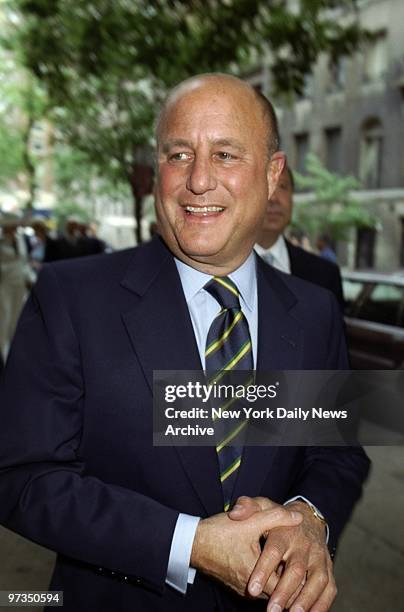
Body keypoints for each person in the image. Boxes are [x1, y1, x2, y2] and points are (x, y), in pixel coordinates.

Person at [0, 74, 369, 611]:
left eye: (224, 154)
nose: (198, 180)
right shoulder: (71, 298)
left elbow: (337, 454)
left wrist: (309, 518)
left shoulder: (313, 311)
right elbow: (20, 476)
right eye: (178, 155)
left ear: (272, 175)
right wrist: (188, 544)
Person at [255, 165, 344, 308]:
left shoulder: (325, 276)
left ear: (292, 199)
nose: (274, 198)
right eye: (266, 185)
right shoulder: (218, 270)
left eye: (283, 186)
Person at [0, 213, 34, 361]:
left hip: (19, 286)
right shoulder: (1, 243)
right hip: (4, 286)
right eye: (11, 226)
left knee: (17, 319)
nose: (14, 229)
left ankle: (14, 355)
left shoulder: (20, 241)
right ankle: (3, 354)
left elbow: (24, 263)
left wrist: (31, 278)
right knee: (4, 319)